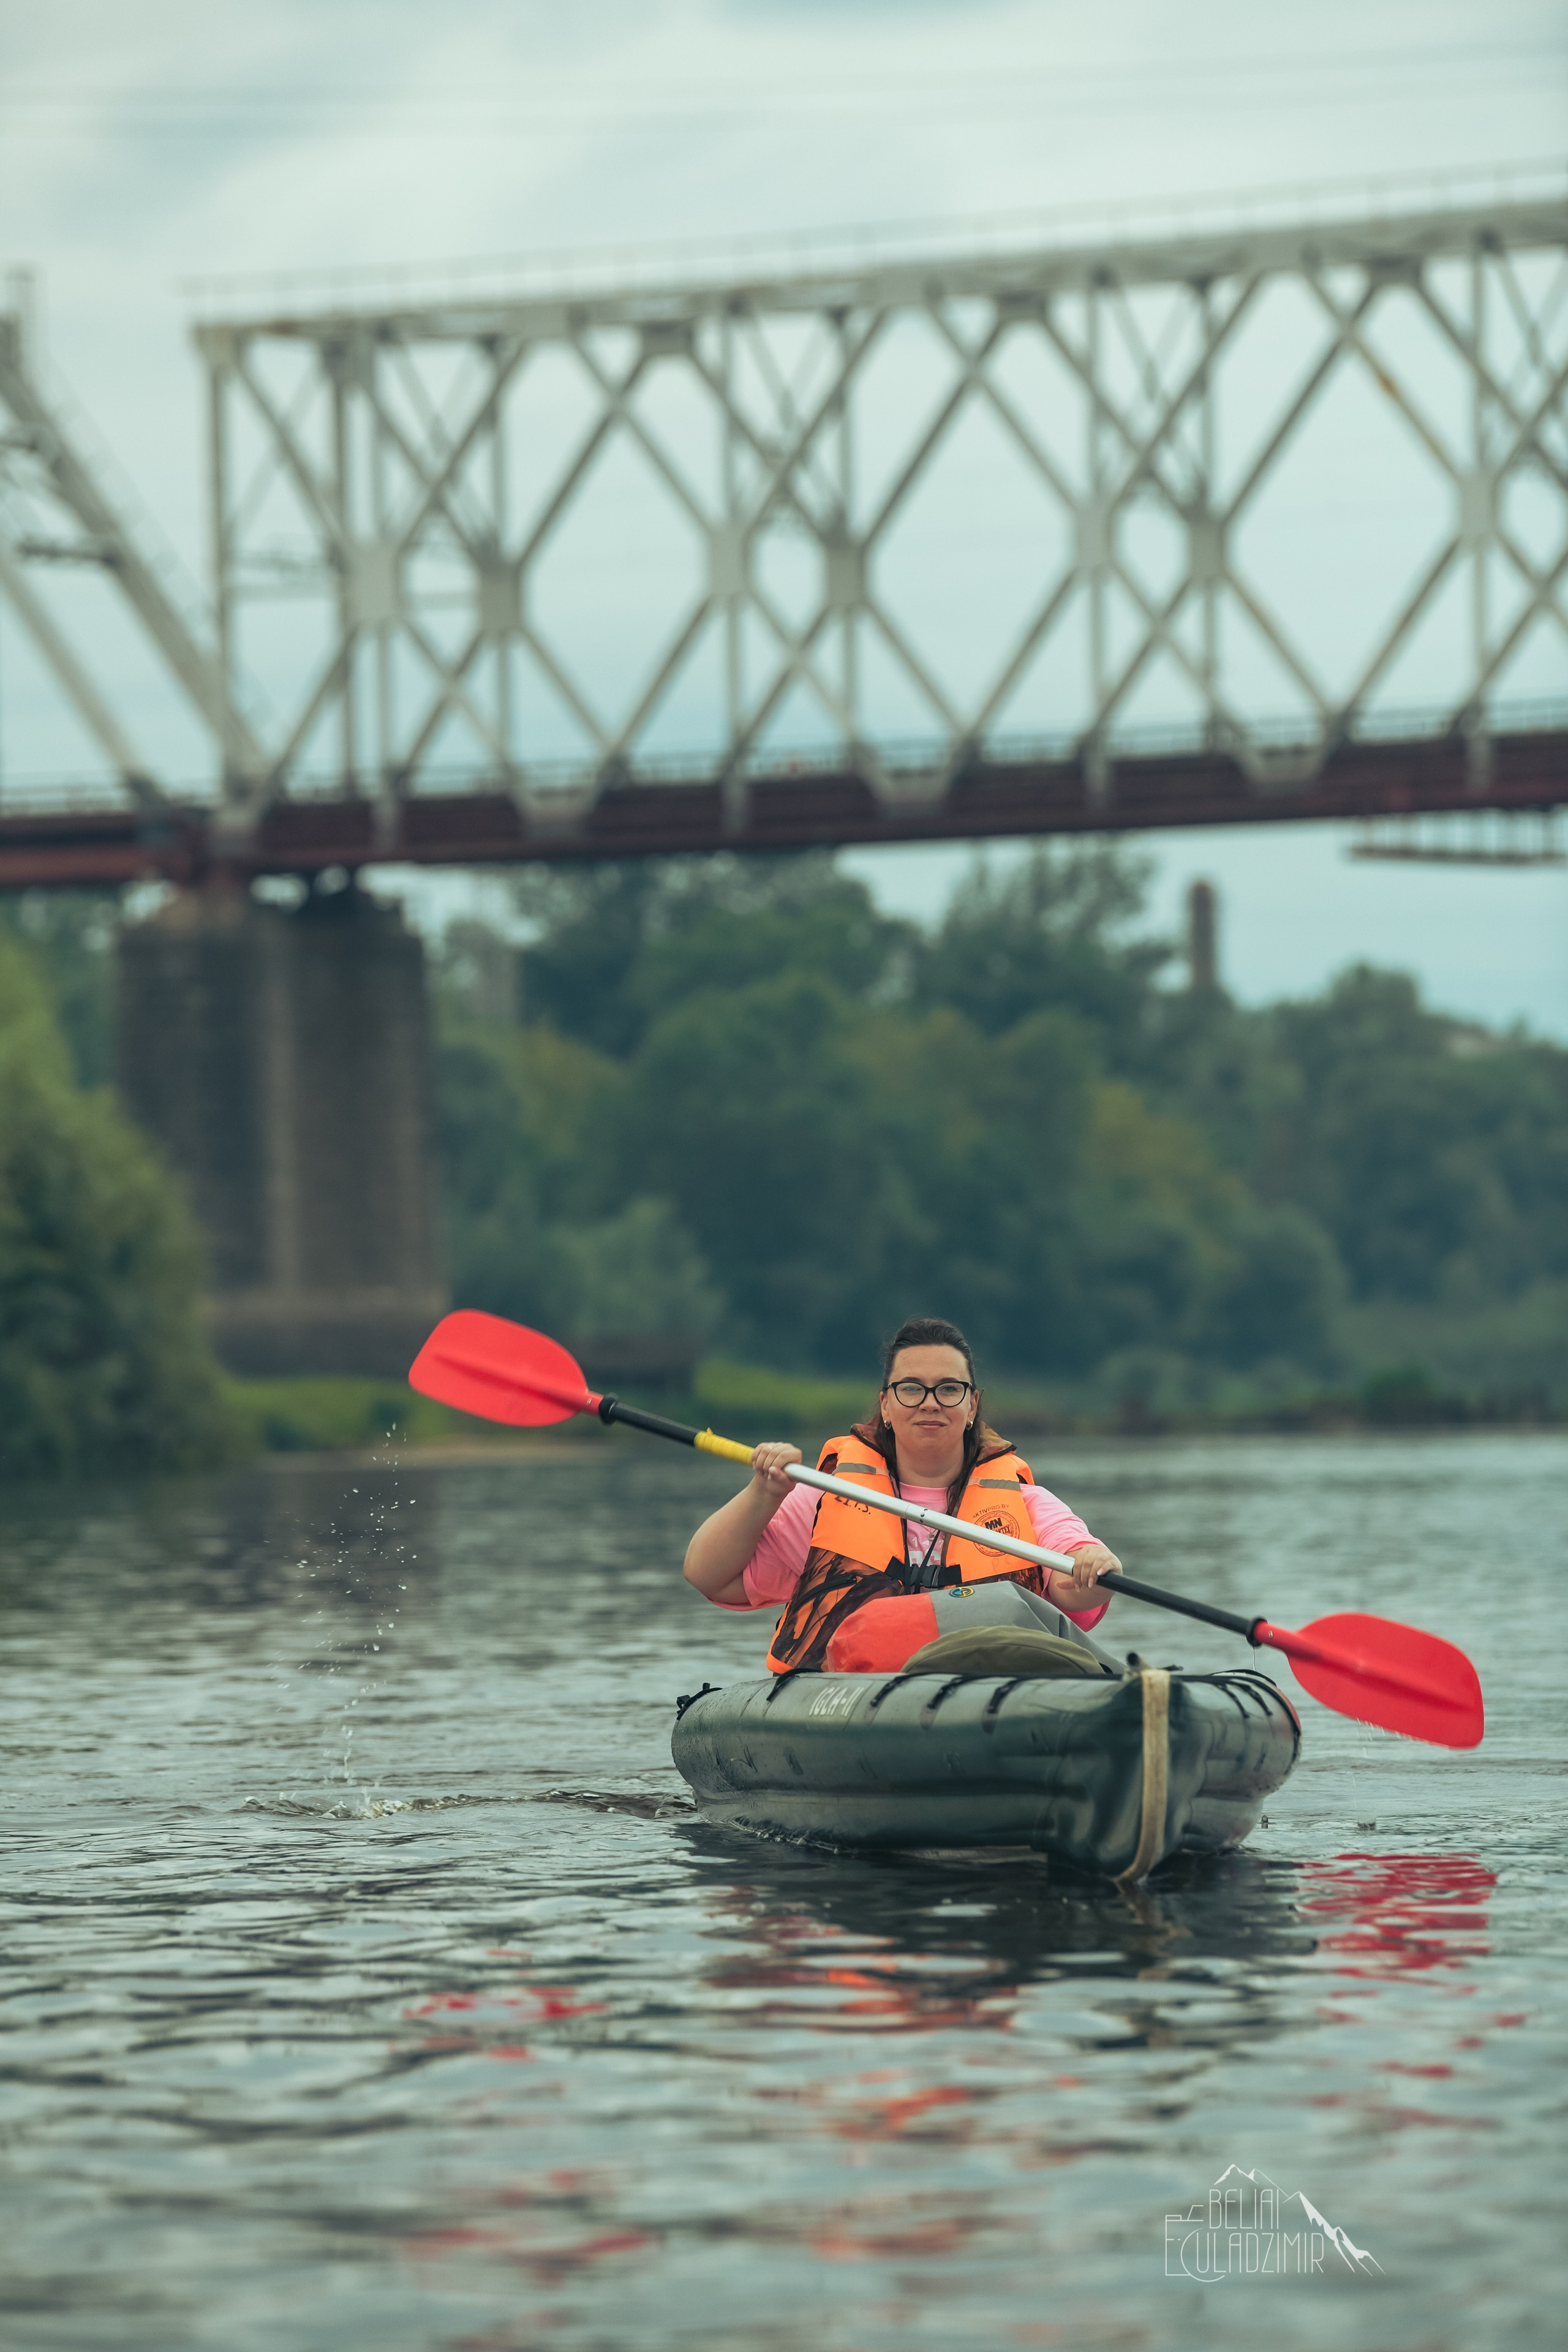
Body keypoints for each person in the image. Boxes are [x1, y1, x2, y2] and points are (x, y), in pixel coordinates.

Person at [683, 1315, 1120, 1672]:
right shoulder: (826, 1496)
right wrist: (764, 1492)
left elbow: (1076, 1589)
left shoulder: (1026, 1503)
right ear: (887, 1405)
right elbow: (709, 1575)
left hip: (986, 1696)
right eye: (911, 1388)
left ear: (972, 1406)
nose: (930, 1402)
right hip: (849, 1698)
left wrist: (1096, 1566)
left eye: (949, 1389)